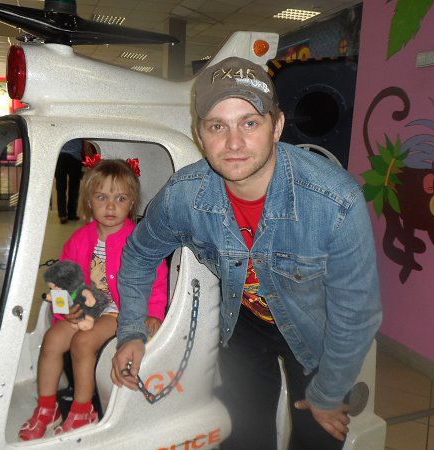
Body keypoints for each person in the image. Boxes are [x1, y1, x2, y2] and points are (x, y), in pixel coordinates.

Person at [110, 56, 382, 450]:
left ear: (277, 126)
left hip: (316, 329)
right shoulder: (184, 196)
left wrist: (328, 394)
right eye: (217, 126)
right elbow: (138, 256)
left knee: (319, 436)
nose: (233, 143)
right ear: (199, 133)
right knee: (243, 437)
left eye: (249, 123)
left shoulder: (334, 201)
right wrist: (131, 332)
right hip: (243, 323)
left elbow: (357, 312)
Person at [19, 158, 168, 441]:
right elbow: (63, 279)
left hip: (121, 310)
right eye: (102, 197)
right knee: (52, 339)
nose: (111, 206)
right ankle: (47, 407)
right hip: (87, 307)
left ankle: (82, 410)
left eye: (120, 198)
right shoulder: (80, 239)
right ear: (89, 201)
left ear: (131, 202)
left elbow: (157, 279)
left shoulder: (138, 240)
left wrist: (153, 314)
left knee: (83, 342)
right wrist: (64, 311)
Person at [55, 138, 85, 223]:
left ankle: (62, 215)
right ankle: (72, 214)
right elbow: (85, 145)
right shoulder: (80, 131)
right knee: (74, 188)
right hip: (75, 159)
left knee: (61, 188)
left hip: (60, 157)